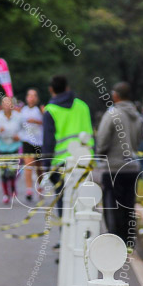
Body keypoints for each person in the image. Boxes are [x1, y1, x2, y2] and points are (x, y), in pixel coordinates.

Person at [96, 82, 143, 249]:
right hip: (132, 166)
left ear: (116, 95)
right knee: (129, 204)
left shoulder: (112, 113)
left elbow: (102, 140)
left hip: (114, 167)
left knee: (112, 204)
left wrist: (100, 153)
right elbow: (138, 141)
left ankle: (116, 241)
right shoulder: (137, 116)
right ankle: (129, 240)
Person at [41, 75, 94, 213]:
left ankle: (65, 233)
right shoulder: (82, 106)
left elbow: (48, 141)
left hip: (61, 163)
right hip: (85, 161)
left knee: (63, 202)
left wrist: (46, 166)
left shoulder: (50, 110)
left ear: (51, 89)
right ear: (67, 88)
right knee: (83, 201)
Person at [0, 96, 25, 204]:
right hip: (2, 147)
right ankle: (6, 193)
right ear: (1, 105)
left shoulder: (18, 117)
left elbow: (25, 131)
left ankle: (13, 188)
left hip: (14, 147)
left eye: (9, 103)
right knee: (4, 172)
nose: (7, 106)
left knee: (13, 171)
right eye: (5, 103)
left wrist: (19, 136)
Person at [19, 88, 44, 200]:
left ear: (37, 98)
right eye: (30, 95)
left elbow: (46, 123)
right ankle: (29, 190)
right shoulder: (22, 110)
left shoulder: (40, 109)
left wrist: (36, 121)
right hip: (27, 140)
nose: (32, 98)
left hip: (39, 141)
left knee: (39, 167)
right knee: (28, 166)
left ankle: (40, 187)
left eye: (34, 96)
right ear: (27, 97)